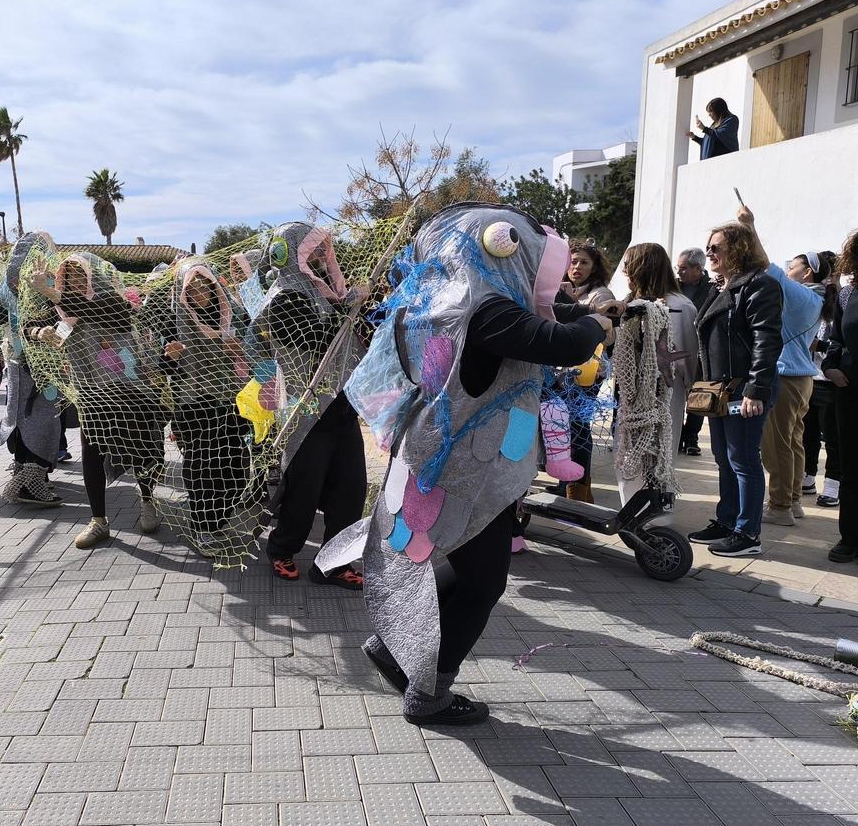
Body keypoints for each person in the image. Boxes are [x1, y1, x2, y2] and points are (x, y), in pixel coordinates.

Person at [317, 204, 611, 725]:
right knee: (483, 582)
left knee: (460, 566)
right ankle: (428, 692)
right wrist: (596, 322)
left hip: (446, 464)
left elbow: (540, 318)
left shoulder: (446, 300)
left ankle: (395, 648)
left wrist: (587, 313)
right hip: (465, 474)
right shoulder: (485, 311)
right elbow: (561, 342)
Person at [251, 222, 368, 589]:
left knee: (350, 488)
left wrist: (351, 306)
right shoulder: (285, 296)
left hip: (341, 407)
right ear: (293, 252)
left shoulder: (327, 292)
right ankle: (282, 548)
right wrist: (349, 307)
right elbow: (316, 344)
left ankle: (334, 562)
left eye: (322, 248)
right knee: (305, 488)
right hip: (306, 412)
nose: (321, 255)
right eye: (313, 248)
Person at [31, 251, 166, 546]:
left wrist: (53, 293)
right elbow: (26, 327)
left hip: (129, 389)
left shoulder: (113, 300)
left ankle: (147, 499)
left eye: (81, 276)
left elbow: (109, 315)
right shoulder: (62, 311)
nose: (76, 282)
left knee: (140, 447)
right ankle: (98, 520)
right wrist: (39, 331)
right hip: (90, 392)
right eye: (70, 278)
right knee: (91, 453)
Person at [687, 211, 783, 557]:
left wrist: (755, 390)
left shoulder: (760, 284)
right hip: (719, 388)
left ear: (739, 250)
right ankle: (727, 521)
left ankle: (747, 534)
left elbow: (766, 341)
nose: (709, 254)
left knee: (743, 459)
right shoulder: (721, 287)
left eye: (716, 248)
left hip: (743, 389)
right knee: (725, 460)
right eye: (707, 248)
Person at [160, 258, 254, 550]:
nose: (200, 292)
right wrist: (170, 358)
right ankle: (202, 527)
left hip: (231, 401)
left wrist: (241, 350)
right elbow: (159, 367)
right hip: (193, 404)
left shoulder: (232, 314)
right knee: (203, 469)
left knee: (237, 469)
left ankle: (218, 520)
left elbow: (255, 350)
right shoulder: (172, 319)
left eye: (205, 286)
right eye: (193, 288)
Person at [0, 233, 66, 507]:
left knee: (25, 417)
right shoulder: (37, 278)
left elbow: (7, 315)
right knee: (41, 418)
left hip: (27, 359)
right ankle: (29, 482)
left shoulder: (26, 281)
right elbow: (36, 316)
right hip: (32, 361)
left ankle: (28, 473)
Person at [617, 243, 698, 511]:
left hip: (665, 393)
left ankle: (658, 508)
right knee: (630, 450)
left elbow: (688, 355)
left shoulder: (681, 306)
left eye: (630, 264)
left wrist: (682, 388)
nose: (625, 270)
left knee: (660, 449)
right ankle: (631, 507)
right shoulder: (628, 303)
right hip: (630, 393)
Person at [759, 246, 834, 526]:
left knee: (776, 445)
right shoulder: (815, 297)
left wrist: (750, 225)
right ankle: (792, 501)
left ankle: (779, 506)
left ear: (808, 272)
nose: (789, 269)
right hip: (800, 379)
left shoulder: (803, 295)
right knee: (792, 443)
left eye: (794, 265)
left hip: (787, 378)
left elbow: (767, 266)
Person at [555, 240, 613, 502]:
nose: (576, 267)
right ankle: (567, 482)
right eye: (573, 262)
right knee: (562, 424)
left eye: (583, 262)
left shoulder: (600, 295)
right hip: (565, 369)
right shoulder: (563, 290)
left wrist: (570, 302)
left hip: (589, 370)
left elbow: (607, 334)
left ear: (595, 267)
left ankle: (579, 487)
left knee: (578, 425)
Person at [822, 232, 858, 562]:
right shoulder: (847, 296)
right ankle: (849, 538)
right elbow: (835, 340)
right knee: (850, 468)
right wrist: (831, 367)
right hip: (849, 392)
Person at [804, 256, 842, 508]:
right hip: (808, 378)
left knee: (833, 437)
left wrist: (820, 345)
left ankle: (832, 484)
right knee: (807, 434)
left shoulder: (840, 304)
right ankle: (807, 477)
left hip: (830, 381)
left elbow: (839, 343)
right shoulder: (809, 302)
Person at [676, 247, 717, 455]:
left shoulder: (713, 288)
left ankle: (691, 437)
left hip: (701, 350)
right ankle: (676, 434)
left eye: (683, 268)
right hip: (675, 347)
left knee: (698, 395)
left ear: (698, 268)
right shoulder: (673, 286)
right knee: (674, 394)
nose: (679, 272)